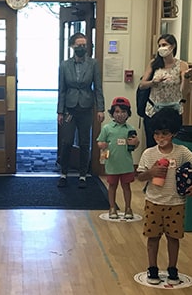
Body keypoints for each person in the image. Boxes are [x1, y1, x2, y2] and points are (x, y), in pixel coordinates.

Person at [135, 108, 192, 285]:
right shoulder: (149, 153)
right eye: (157, 134)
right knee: (153, 237)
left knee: (173, 238)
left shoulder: (181, 151)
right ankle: (152, 268)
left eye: (164, 133)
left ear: (173, 133)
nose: (160, 138)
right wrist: (151, 172)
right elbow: (140, 176)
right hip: (153, 202)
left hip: (176, 203)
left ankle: (173, 269)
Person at [56, 32, 104, 189]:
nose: (82, 48)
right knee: (67, 141)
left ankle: (83, 175)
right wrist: (60, 112)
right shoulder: (64, 65)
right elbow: (61, 90)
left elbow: (98, 87)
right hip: (69, 108)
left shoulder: (93, 64)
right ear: (72, 46)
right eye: (79, 45)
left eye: (84, 45)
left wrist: (100, 109)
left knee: (84, 142)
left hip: (86, 107)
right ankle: (64, 173)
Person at [138, 34, 190, 148]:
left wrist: (186, 78)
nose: (161, 48)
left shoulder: (182, 65)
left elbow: (184, 91)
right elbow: (142, 85)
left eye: (164, 45)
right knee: (153, 145)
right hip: (153, 110)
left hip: (173, 110)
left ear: (172, 47)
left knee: (172, 146)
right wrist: (153, 82)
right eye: (159, 45)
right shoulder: (154, 63)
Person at [96, 96, 139, 219]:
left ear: (128, 114)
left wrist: (136, 142)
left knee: (126, 186)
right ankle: (112, 207)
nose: (120, 115)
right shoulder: (107, 128)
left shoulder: (130, 129)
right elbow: (99, 142)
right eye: (117, 112)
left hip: (126, 164)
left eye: (123, 112)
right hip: (112, 164)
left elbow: (135, 144)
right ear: (112, 113)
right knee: (112, 186)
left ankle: (128, 208)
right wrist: (102, 145)